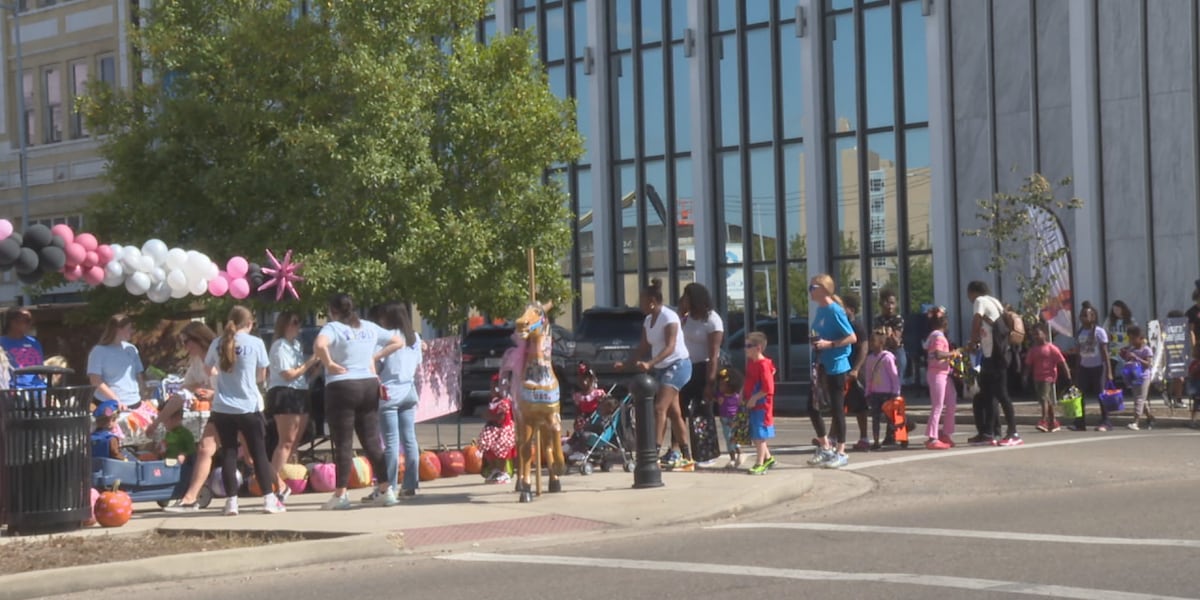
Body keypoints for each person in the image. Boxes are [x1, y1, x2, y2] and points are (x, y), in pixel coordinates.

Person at [313, 293, 405, 510]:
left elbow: (319, 345)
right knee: (372, 440)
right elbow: (398, 341)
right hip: (368, 384)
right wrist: (374, 357)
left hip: (341, 386)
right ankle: (385, 489)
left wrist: (329, 363)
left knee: (343, 442)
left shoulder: (333, 328)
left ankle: (341, 494)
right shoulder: (368, 327)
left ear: (332, 310)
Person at [204, 305, 283, 516]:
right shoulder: (256, 343)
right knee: (258, 454)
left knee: (229, 452)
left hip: (222, 407)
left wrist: (219, 381)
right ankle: (268, 499)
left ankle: (231, 502)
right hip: (249, 405)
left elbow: (207, 368)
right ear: (249, 324)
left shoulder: (217, 343)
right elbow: (261, 375)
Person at [616, 278, 694, 471]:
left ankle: (653, 455)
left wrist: (650, 363)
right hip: (662, 367)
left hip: (678, 365)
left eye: (642, 300)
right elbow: (643, 346)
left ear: (652, 301)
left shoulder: (670, 317)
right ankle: (687, 457)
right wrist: (626, 364)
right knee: (675, 413)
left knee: (659, 408)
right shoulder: (648, 320)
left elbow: (670, 347)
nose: (639, 304)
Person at [163, 323, 223, 513]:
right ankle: (189, 499)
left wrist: (212, 394)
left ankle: (279, 487)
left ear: (199, 339)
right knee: (205, 449)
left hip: (239, 410)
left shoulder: (220, 356)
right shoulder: (197, 362)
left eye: (187, 341)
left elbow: (234, 385)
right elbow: (184, 389)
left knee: (251, 457)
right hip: (219, 412)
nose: (185, 346)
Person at [373, 302, 423, 503]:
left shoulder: (386, 337)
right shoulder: (415, 337)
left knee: (391, 443)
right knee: (410, 439)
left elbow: (376, 365)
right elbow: (417, 364)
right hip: (409, 390)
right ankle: (410, 485)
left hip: (389, 392)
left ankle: (389, 487)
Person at [266, 312, 320, 488]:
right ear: (285, 326)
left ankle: (289, 478)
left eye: (299, 322)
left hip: (300, 391)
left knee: (296, 441)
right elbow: (288, 374)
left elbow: (303, 375)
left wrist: (317, 366)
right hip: (285, 392)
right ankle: (273, 482)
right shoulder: (280, 345)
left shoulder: (296, 345)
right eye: (295, 322)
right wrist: (310, 362)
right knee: (286, 441)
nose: (298, 326)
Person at [809, 273, 857, 469]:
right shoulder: (820, 310)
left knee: (837, 409)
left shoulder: (835, 310)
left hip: (836, 365)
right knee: (812, 406)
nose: (810, 291)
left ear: (823, 290)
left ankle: (841, 451)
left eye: (813, 288)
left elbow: (852, 337)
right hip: (820, 364)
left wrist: (829, 344)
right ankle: (826, 447)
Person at [965, 281, 1021, 446]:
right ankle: (988, 433)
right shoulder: (994, 301)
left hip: (996, 356)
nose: (968, 298)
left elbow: (977, 320)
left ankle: (1013, 433)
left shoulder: (980, 301)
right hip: (993, 355)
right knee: (987, 395)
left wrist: (972, 341)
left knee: (1002, 395)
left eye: (968, 294)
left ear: (973, 292)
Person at [87, 314, 155, 441]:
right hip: (110, 407)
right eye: (129, 328)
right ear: (118, 329)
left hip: (135, 403)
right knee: (114, 442)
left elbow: (138, 375)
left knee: (142, 440)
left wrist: (144, 396)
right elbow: (95, 380)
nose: (132, 331)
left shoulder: (131, 349)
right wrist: (116, 400)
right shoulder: (99, 351)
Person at [677, 282, 724, 427]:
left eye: (686, 297)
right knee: (679, 408)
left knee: (701, 412)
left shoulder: (712, 320)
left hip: (703, 368)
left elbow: (713, 354)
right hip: (685, 366)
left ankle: (704, 448)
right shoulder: (686, 317)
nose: (683, 299)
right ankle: (677, 445)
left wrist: (710, 383)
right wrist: (680, 312)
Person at [1070, 302, 1113, 431]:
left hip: (1098, 367)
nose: (1083, 318)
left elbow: (1105, 352)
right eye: (1081, 315)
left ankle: (1106, 421)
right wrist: (1076, 369)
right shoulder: (1080, 333)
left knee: (1100, 394)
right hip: (1084, 367)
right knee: (1079, 395)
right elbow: (1079, 352)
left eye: (1086, 315)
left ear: (1093, 316)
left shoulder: (1100, 332)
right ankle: (1079, 422)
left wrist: (1109, 371)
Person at [1024, 323, 1070, 433]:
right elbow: (1028, 364)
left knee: (1044, 397)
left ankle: (1043, 420)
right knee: (1045, 399)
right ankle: (1053, 422)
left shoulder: (1051, 348)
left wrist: (1068, 375)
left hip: (1049, 376)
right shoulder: (1033, 350)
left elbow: (1062, 362)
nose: (1035, 337)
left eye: (1038, 334)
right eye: (1034, 335)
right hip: (1037, 377)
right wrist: (1025, 376)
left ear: (1044, 334)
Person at [742, 332, 776, 475]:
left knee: (759, 435)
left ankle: (759, 463)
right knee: (755, 432)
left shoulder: (762, 365)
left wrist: (755, 398)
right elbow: (748, 379)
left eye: (749, 346)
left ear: (758, 348)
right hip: (753, 403)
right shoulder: (752, 363)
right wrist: (741, 393)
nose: (746, 349)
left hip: (762, 406)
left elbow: (768, 388)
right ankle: (768, 458)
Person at [863, 328, 901, 450]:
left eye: (873, 341)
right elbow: (868, 377)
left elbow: (894, 376)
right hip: (875, 393)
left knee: (891, 418)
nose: (870, 343)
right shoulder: (869, 359)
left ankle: (893, 437)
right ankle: (876, 441)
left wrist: (896, 392)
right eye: (870, 341)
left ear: (881, 343)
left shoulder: (888, 358)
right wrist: (867, 392)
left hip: (888, 393)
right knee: (875, 418)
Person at [924, 313, 958, 449]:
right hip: (937, 373)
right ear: (944, 323)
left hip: (943, 373)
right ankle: (933, 438)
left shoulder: (934, 336)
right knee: (938, 405)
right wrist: (953, 354)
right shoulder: (938, 336)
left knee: (951, 401)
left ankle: (945, 433)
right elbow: (938, 354)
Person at [842, 293, 871, 451]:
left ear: (851, 310)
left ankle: (864, 438)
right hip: (842, 369)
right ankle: (832, 438)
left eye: (843, 308)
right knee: (839, 405)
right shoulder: (841, 325)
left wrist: (856, 369)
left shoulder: (857, 326)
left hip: (855, 372)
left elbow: (864, 348)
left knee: (860, 406)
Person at [478, 374, 516, 483]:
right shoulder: (494, 402)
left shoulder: (504, 402)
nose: (492, 391)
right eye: (491, 388)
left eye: (494, 388)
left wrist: (488, 415)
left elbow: (501, 418)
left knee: (500, 448)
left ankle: (503, 471)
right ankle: (494, 469)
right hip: (493, 429)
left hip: (503, 430)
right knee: (487, 447)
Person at [1121, 325, 1155, 431]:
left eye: (1133, 338)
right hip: (1133, 375)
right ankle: (1150, 417)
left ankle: (1136, 422)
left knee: (1139, 399)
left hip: (1144, 377)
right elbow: (1128, 360)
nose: (1131, 341)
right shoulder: (1131, 348)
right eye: (1129, 338)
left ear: (1140, 337)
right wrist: (1124, 355)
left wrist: (1136, 357)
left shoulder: (1146, 350)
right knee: (1140, 398)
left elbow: (1148, 364)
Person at [2, 308, 45, 389]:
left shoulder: (34, 342)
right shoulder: (1, 343)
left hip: (38, 388)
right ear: (12, 322)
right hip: (13, 389)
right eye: (27, 320)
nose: (30, 324)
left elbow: (40, 368)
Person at [874, 289, 907, 386]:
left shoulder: (898, 319)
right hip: (882, 353)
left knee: (896, 382)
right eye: (887, 303)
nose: (890, 306)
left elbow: (896, 342)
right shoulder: (878, 320)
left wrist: (889, 334)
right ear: (882, 303)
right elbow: (877, 340)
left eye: (893, 303)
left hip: (896, 353)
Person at [715, 367, 744, 469]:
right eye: (720, 384)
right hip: (724, 419)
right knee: (728, 439)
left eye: (723, 385)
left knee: (735, 438)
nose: (720, 386)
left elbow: (740, 408)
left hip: (733, 419)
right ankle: (732, 458)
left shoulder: (736, 397)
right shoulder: (720, 395)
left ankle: (739, 454)